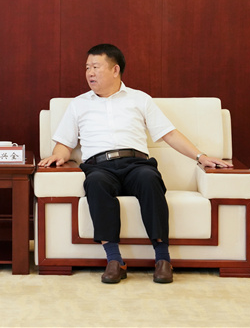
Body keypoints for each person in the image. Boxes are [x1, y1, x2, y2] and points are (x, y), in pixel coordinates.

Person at [39, 43, 229, 284]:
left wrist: (200, 156)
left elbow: (169, 133)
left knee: (150, 179)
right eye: (87, 68)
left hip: (136, 164)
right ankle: (114, 260)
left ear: (115, 69)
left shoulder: (140, 99)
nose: (90, 73)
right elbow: (64, 144)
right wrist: (58, 155)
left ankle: (163, 259)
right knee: (95, 183)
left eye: (96, 67)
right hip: (99, 167)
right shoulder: (78, 104)